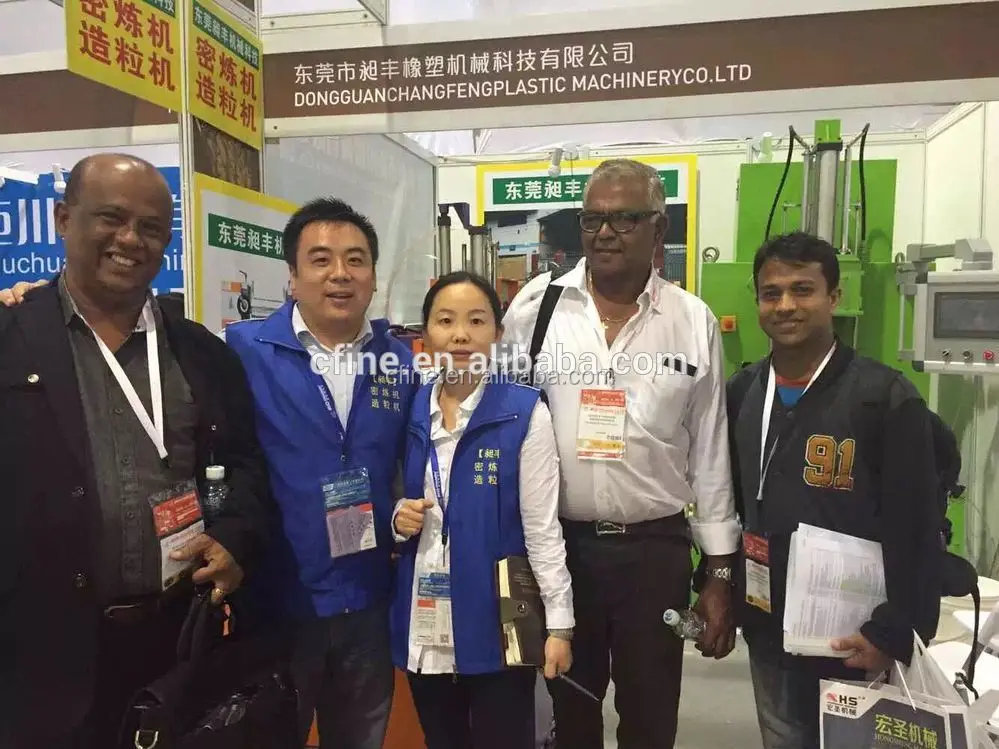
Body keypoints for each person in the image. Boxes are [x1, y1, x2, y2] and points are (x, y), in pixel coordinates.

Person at [0, 153, 273, 748]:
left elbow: (244, 466)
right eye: (111, 218)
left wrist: (234, 538)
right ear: (63, 219)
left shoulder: (203, 353)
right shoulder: (10, 339)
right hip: (38, 658)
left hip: (174, 645)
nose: (130, 240)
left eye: (151, 227)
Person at [501, 158, 740, 749]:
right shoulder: (536, 311)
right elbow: (502, 427)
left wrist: (719, 572)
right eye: (593, 219)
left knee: (651, 720)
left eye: (625, 219)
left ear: (659, 228)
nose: (605, 232)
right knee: (571, 717)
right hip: (563, 555)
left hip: (654, 555)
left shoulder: (691, 321)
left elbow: (710, 452)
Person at [726, 232, 942, 749]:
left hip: (855, 638)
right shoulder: (744, 392)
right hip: (770, 624)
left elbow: (918, 527)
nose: (785, 306)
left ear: (834, 297)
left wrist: (893, 629)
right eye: (771, 293)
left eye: (803, 290)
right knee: (782, 738)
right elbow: (733, 502)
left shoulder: (882, 397)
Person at [222, 197, 420, 748]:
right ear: (291, 277)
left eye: (356, 260)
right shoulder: (242, 351)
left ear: (373, 277)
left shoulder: (398, 362)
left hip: (368, 598)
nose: (340, 274)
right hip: (279, 598)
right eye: (321, 259)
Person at [390, 271, 574, 749]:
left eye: (476, 321)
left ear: (498, 332)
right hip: (426, 626)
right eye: (445, 321)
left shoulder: (524, 412)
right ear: (426, 333)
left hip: (498, 624)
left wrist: (559, 624)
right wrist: (396, 518)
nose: (460, 335)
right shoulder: (410, 409)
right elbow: (391, 494)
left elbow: (542, 529)